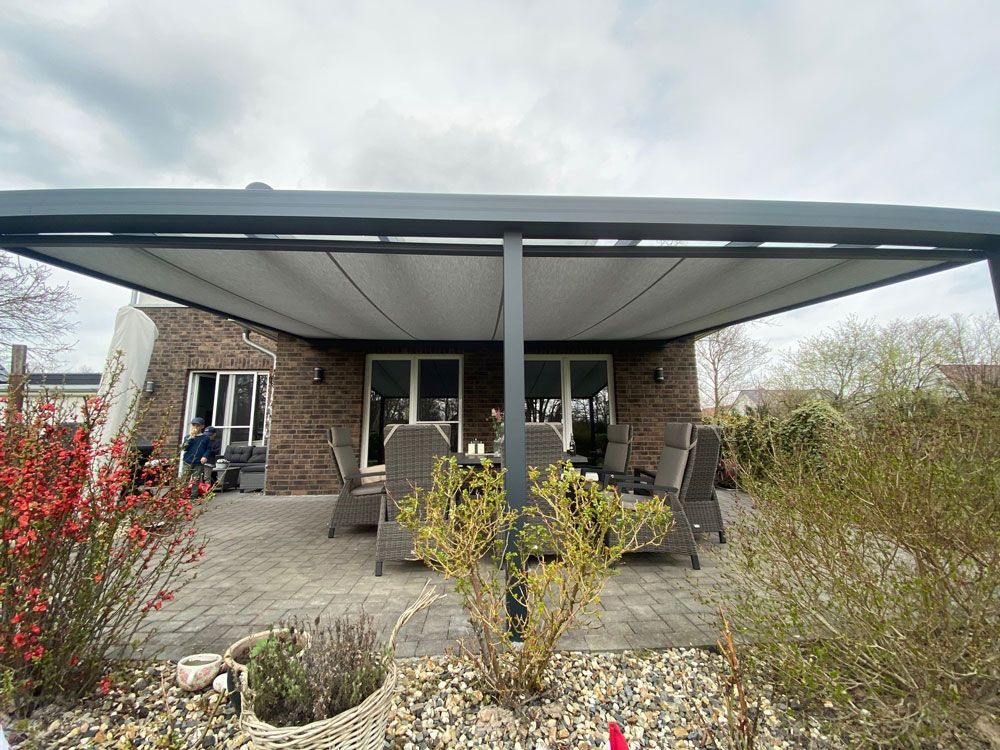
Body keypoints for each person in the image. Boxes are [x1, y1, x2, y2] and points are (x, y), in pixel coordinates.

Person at [181, 417, 209, 486]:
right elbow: (184, 448)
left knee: (195, 480)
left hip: (198, 462)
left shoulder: (205, 437)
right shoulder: (188, 437)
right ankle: (182, 494)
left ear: (202, 426)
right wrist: (190, 438)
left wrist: (205, 456)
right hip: (188, 461)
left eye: (198, 425)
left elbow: (209, 449)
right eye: (193, 425)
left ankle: (194, 495)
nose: (195, 427)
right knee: (184, 479)